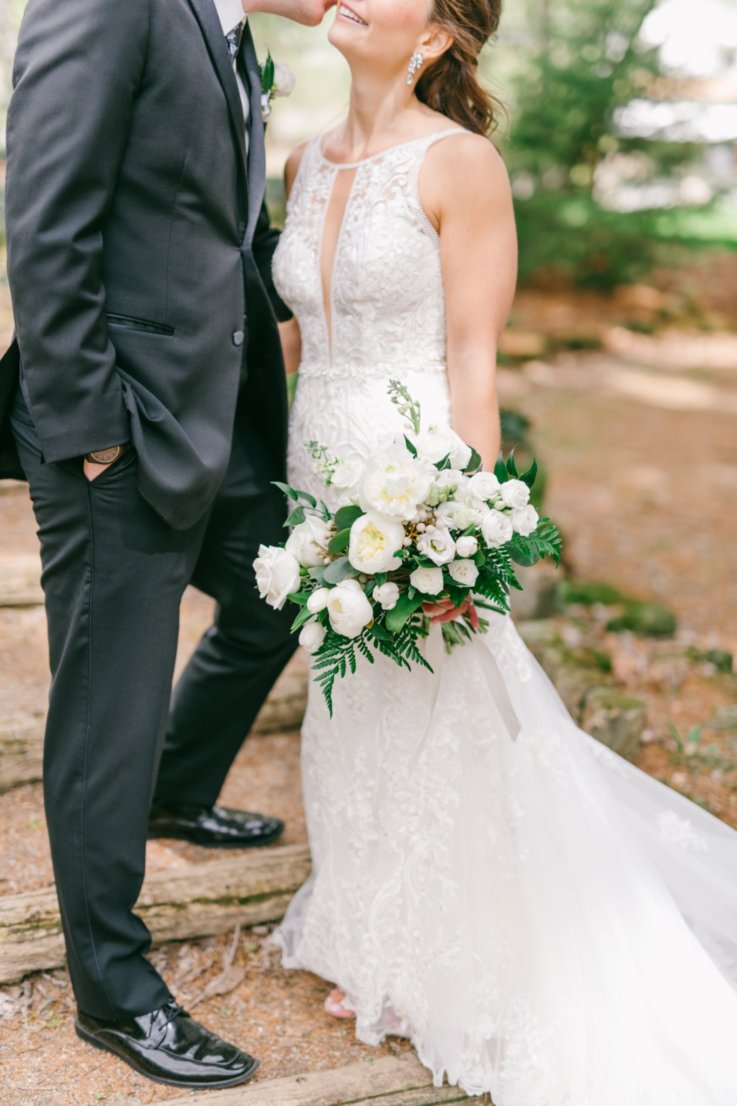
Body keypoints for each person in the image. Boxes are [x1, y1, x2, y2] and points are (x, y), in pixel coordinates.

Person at [270, 1, 737, 1101]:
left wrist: (464, 533)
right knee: (350, 703)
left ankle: (443, 943)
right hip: (316, 469)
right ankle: (366, 921)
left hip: (413, 474)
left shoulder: (463, 164)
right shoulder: (299, 159)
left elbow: (474, 361)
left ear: (434, 35)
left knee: (445, 701)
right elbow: (283, 339)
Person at [0, 0, 335, 1090]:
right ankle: (115, 988)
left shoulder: (238, 39)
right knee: (109, 709)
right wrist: (92, 431)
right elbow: (44, 217)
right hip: (122, 432)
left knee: (283, 592)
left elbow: (209, 236)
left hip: (217, 421)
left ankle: (175, 784)